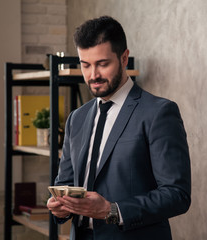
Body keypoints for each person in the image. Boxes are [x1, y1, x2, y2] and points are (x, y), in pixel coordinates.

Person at [47, 15, 191, 240]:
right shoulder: (77, 118)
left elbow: (177, 195)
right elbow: (64, 183)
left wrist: (111, 210)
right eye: (85, 65)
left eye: (102, 64)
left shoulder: (159, 113)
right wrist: (60, 207)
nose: (93, 75)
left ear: (124, 58)